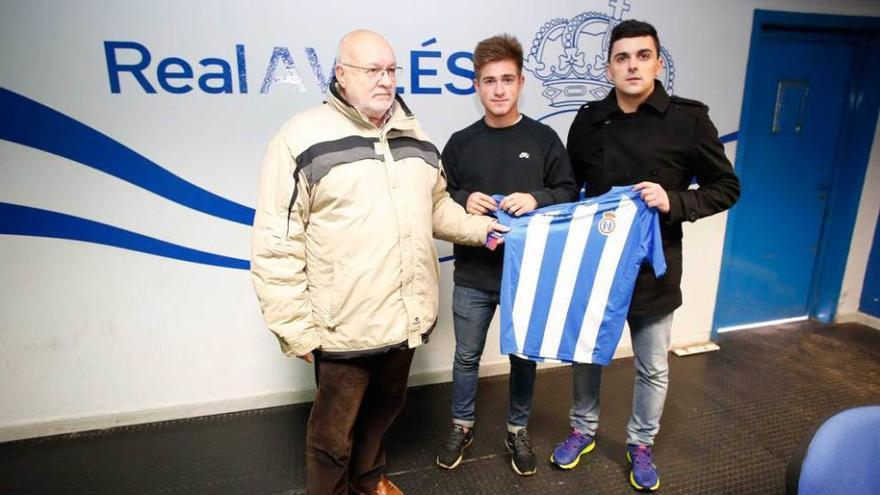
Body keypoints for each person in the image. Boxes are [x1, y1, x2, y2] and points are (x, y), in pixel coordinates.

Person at [250, 29, 507, 495]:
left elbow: (436, 207)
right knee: (332, 434)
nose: (385, 80)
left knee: (382, 415)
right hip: (342, 324)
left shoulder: (414, 133)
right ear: (342, 75)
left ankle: (369, 483)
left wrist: (480, 229)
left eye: (391, 70)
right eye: (372, 70)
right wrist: (294, 326)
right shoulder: (301, 137)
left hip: (403, 317)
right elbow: (276, 240)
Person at [552, 20, 741, 492]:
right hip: (597, 265)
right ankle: (583, 430)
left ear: (658, 62)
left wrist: (674, 201)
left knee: (653, 364)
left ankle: (641, 442)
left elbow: (727, 187)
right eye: (622, 57)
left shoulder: (688, 120)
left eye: (642, 56)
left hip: (654, 268)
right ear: (609, 66)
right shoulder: (588, 120)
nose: (632, 65)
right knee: (586, 356)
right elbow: (569, 190)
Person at [435, 34, 577, 476]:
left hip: (525, 275)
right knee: (465, 357)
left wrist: (537, 198)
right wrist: (464, 197)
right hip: (474, 274)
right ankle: (462, 425)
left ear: (521, 82)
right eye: (488, 80)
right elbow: (439, 195)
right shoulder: (459, 143)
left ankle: (517, 429)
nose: (498, 89)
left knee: (523, 356)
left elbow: (569, 192)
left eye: (507, 80)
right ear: (476, 85)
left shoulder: (543, 138)